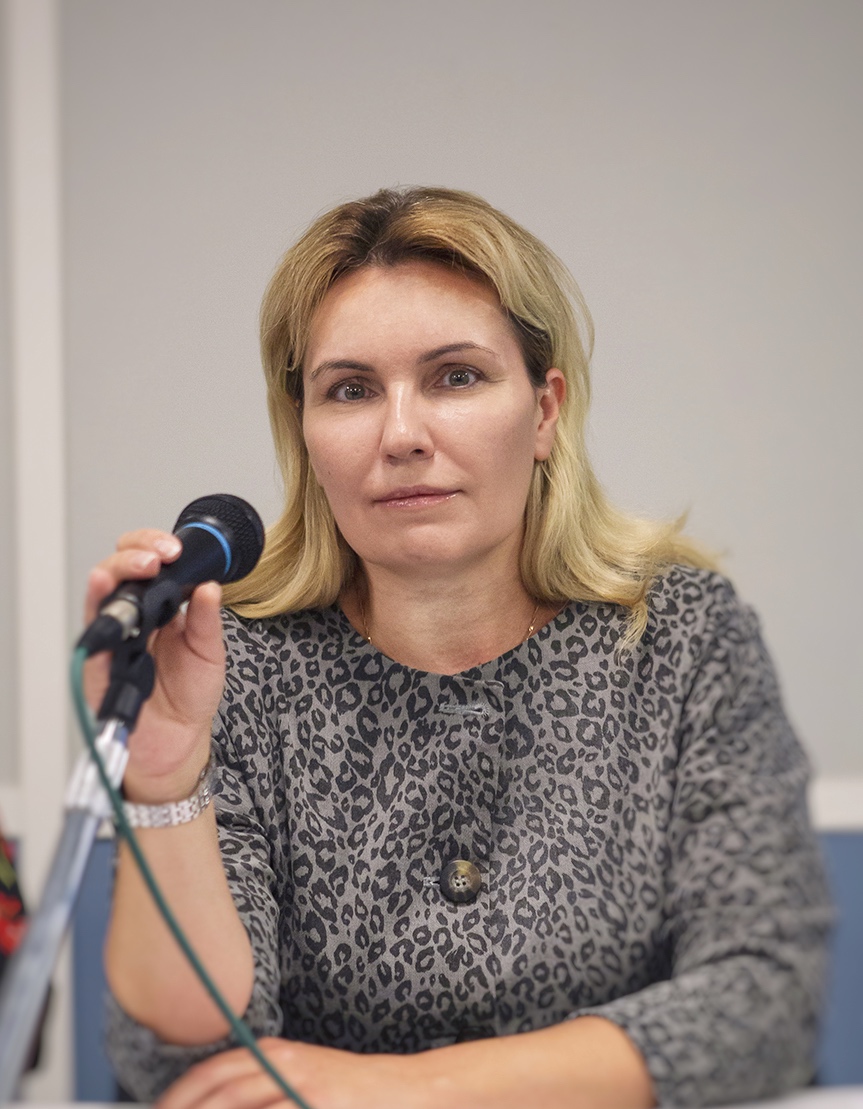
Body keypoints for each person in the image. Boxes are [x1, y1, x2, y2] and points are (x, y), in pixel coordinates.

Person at [87, 187, 832, 1108]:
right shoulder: (223, 661)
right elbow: (184, 1062)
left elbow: (764, 998)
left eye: (455, 377)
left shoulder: (679, 637)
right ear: (304, 430)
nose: (401, 435)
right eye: (351, 390)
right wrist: (163, 780)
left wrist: (405, 1089)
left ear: (545, 410)